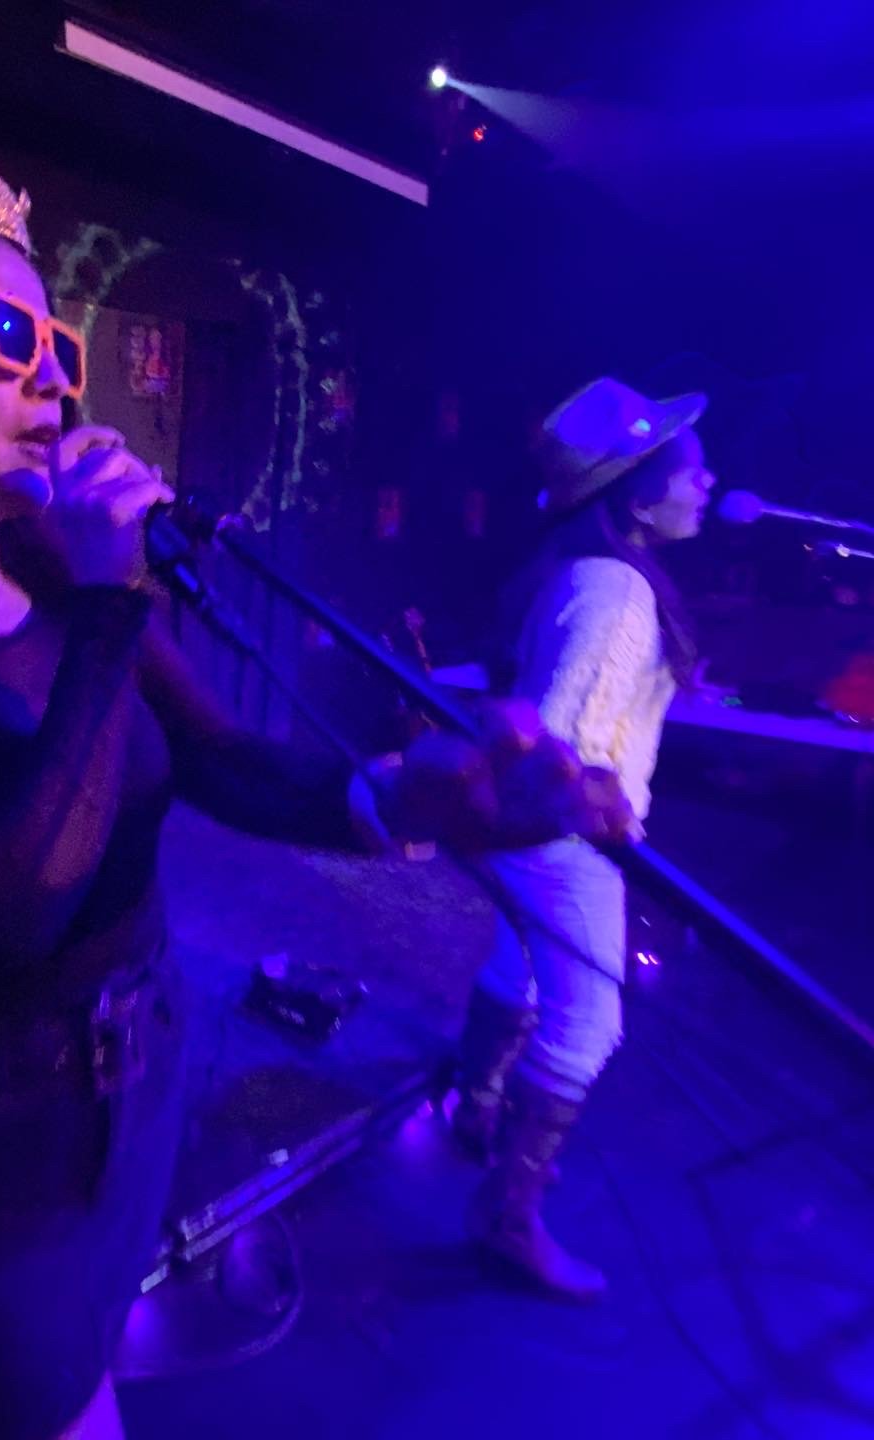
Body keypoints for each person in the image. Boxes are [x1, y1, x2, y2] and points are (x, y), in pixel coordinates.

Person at [0, 59, 631, 1439]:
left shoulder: (55, 585)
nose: (50, 379)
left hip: (141, 1086)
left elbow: (224, 761)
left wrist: (419, 798)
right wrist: (105, 605)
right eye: (1, 335)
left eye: (57, 347)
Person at [450, 377, 716, 1299]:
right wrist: (605, 814)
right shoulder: (617, 593)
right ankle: (506, 1214)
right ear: (637, 495)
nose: (707, 483)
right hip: (568, 842)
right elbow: (564, 741)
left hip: (530, 832)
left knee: (519, 969)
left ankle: (477, 1107)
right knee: (590, 1023)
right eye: (691, 470)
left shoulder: (587, 570)